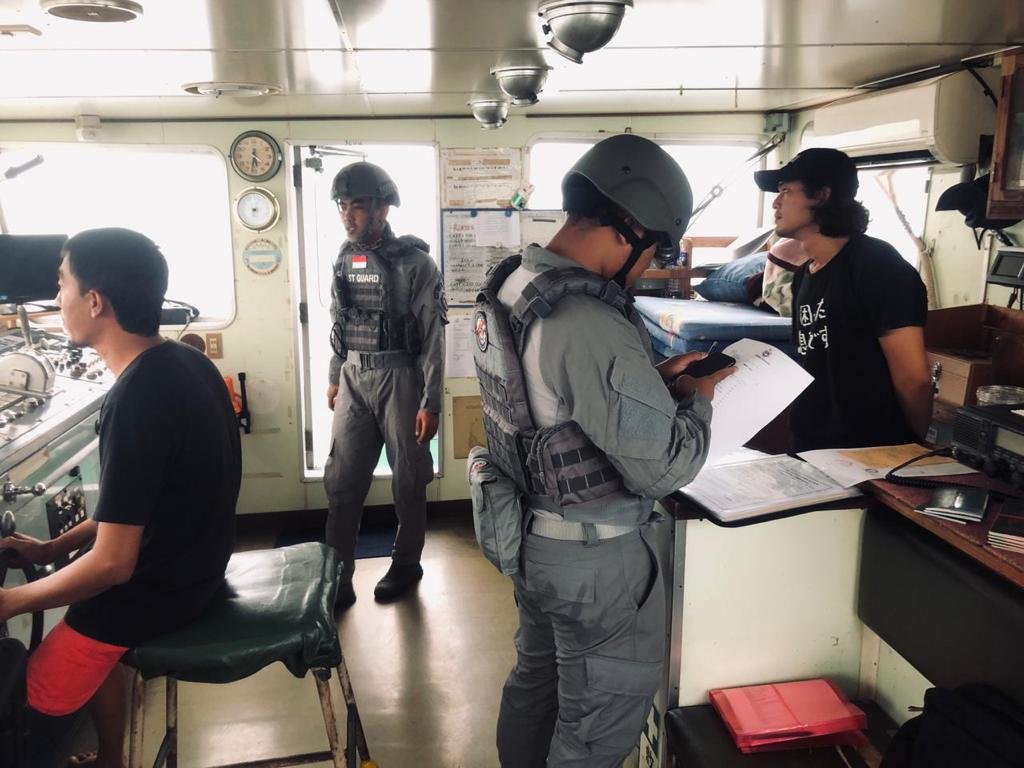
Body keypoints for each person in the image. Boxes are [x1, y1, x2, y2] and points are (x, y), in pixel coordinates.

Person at [473, 134, 734, 767]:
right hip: (594, 563)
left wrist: (653, 382)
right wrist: (699, 399)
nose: (648, 266)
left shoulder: (515, 282)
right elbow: (661, 469)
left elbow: (548, 402)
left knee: (537, 684)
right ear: (630, 228)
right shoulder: (587, 319)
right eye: (655, 249)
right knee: (594, 725)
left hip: (532, 538)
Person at [0, 228, 241, 768]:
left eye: (62, 284)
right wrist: (50, 550)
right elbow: (133, 506)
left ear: (95, 301)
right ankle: (113, 757)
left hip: (159, 591)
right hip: (197, 569)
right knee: (81, 606)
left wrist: (12, 602)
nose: (56, 298)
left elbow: (112, 565)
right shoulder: (185, 362)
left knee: (28, 692)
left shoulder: (136, 397)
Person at [323, 161, 446, 610]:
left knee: (409, 479)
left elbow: (433, 336)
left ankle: (407, 562)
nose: (347, 215)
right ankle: (337, 576)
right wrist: (334, 375)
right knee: (342, 481)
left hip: (401, 377)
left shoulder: (417, 263)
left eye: (357, 205)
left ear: (382, 209)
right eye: (342, 205)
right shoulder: (343, 257)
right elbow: (340, 321)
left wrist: (431, 401)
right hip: (354, 377)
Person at [754, 147, 933, 452]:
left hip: (869, 451)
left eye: (786, 190)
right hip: (809, 447)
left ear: (821, 196)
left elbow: (914, 380)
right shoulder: (804, 275)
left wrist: (912, 446)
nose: (775, 202)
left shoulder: (878, 265)